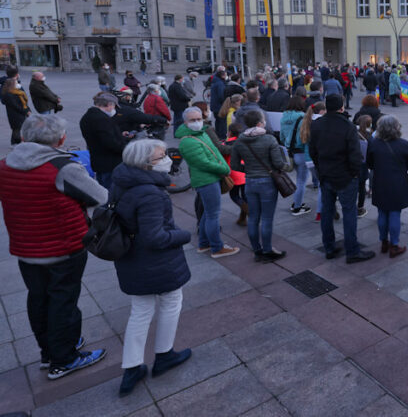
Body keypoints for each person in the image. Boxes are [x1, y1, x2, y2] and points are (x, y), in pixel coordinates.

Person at [0, 115, 108, 380]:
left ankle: (49, 351)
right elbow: (101, 197)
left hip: (25, 247)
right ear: (61, 140)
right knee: (63, 301)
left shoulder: (5, 164)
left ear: (23, 137)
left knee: (39, 298)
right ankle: (64, 359)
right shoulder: (62, 167)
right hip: (63, 246)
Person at [110, 140, 192, 396]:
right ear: (144, 163)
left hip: (131, 257)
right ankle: (164, 354)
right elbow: (155, 237)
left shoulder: (123, 180)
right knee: (171, 301)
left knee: (140, 310)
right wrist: (183, 235)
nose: (168, 159)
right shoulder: (150, 193)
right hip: (156, 261)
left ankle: (132, 367)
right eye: (160, 156)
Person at [310, 94, 375, 262]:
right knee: (349, 212)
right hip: (345, 176)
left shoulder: (317, 124)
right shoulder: (347, 126)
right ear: (342, 108)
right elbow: (355, 155)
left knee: (327, 211)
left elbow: (313, 151)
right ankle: (352, 251)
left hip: (326, 175)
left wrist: (320, 169)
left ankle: (329, 247)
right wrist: (354, 173)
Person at [175, 107, 240, 258]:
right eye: (193, 120)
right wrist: (224, 169)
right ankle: (217, 247)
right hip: (206, 180)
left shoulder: (201, 133)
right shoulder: (188, 141)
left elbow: (214, 152)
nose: (197, 122)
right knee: (213, 215)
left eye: (199, 119)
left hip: (209, 178)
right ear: (185, 122)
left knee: (207, 213)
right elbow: (203, 163)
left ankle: (204, 243)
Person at [232, 110, 289, 262]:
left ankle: (257, 250)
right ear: (259, 123)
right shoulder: (269, 139)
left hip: (250, 182)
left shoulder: (239, 141)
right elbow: (278, 163)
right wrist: (285, 164)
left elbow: (235, 165)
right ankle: (268, 249)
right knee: (267, 218)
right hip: (267, 182)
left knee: (253, 218)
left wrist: (249, 169)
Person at [366, 115, 408, 258]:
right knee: (394, 213)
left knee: (382, 212)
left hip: (380, 182)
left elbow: (369, 164)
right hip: (397, 183)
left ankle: (384, 242)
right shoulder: (404, 144)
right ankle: (394, 245)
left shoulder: (373, 143)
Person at [81, 93, 129, 189]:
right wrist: (127, 148)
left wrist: (118, 135)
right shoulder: (102, 119)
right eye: (114, 106)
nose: (114, 109)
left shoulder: (87, 117)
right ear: (109, 104)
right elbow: (111, 143)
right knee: (110, 190)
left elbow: (100, 136)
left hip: (98, 161)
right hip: (110, 163)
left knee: (103, 188)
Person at [280, 96, 313, 215]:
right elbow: (306, 137)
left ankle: (297, 202)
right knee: (301, 182)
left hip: (290, 152)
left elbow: (281, 137)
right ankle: (297, 207)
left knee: (299, 181)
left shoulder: (283, 117)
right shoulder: (303, 117)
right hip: (301, 152)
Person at [1, 71, 30, 144]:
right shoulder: (9, 95)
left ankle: (14, 143)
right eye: (15, 83)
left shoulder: (15, 92)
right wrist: (25, 111)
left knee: (16, 129)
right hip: (15, 115)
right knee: (16, 129)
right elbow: (16, 106)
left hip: (17, 114)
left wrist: (27, 109)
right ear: (11, 85)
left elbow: (22, 102)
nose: (17, 84)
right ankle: (17, 143)